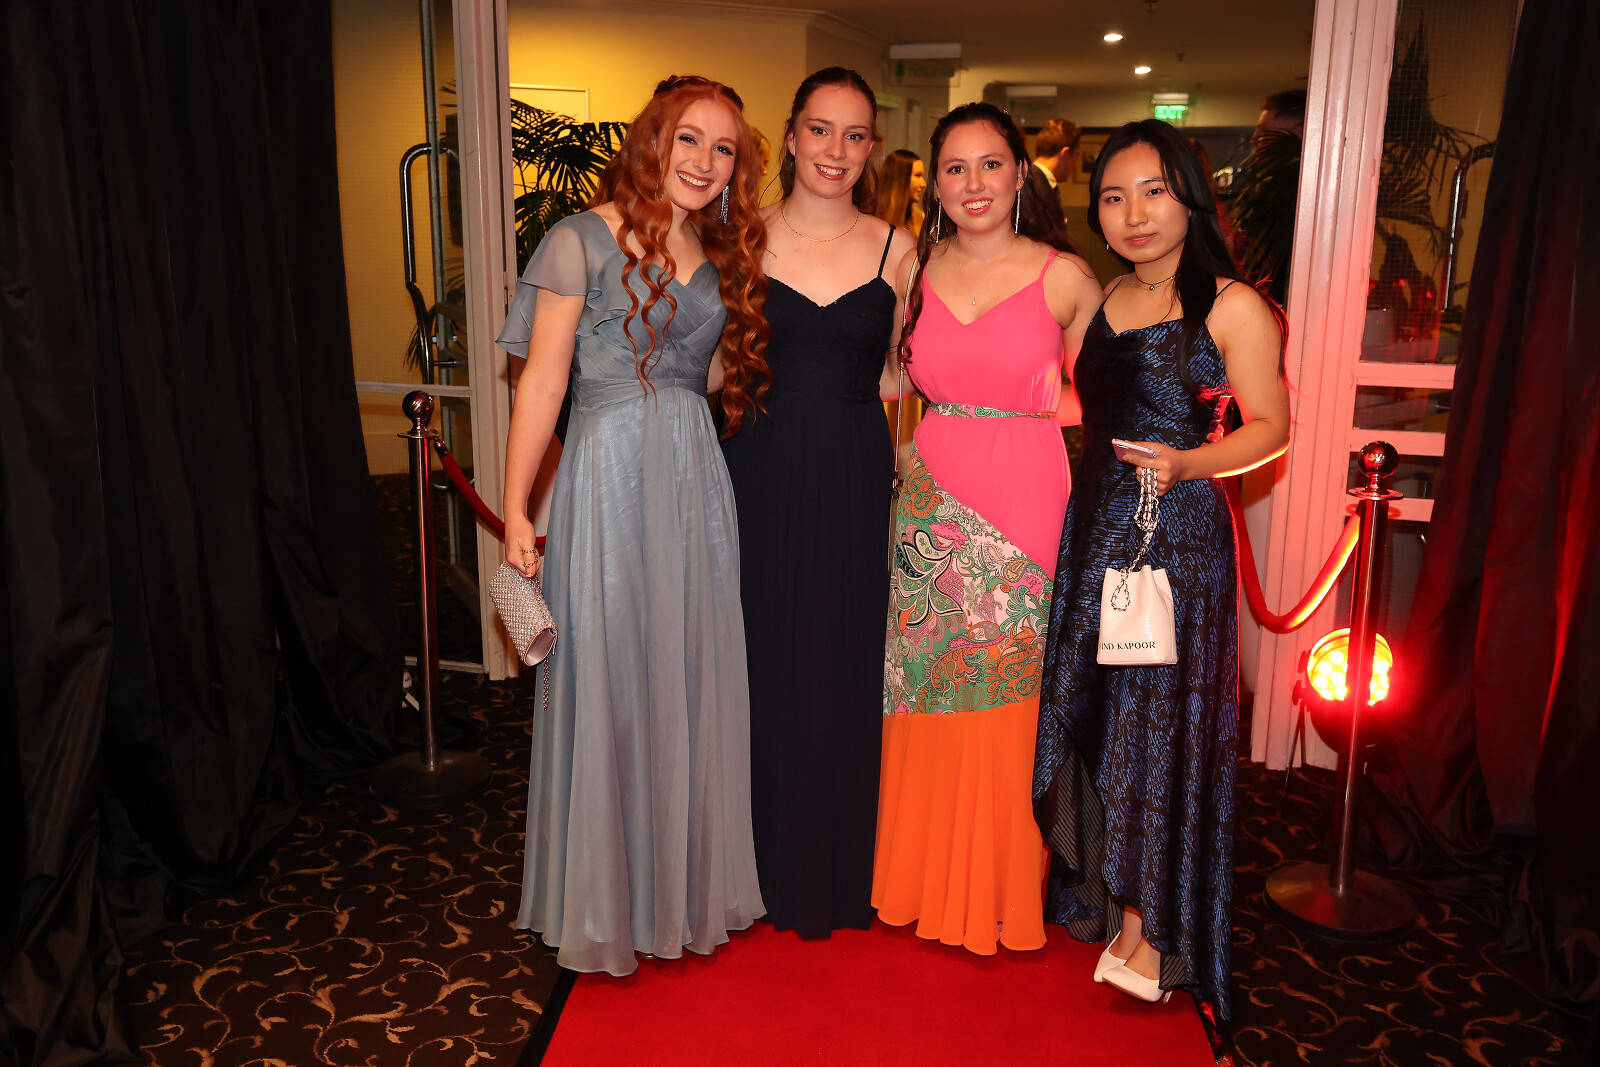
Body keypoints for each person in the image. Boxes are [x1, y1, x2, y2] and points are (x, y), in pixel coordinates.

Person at [497, 75, 769, 976]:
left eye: (723, 149)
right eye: (689, 138)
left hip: (695, 481)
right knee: (612, 672)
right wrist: (517, 508)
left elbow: (712, 378)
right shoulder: (580, 238)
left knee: (687, 669)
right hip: (609, 475)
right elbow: (541, 383)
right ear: (653, 141)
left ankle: (680, 886)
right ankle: (608, 897)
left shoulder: (719, 249)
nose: (704, 161)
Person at [1034, 119, 1290, 1019]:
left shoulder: (1232, 304)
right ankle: (1115, 896)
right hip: (1097, 529)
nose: (1134, 213)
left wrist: (1187, 463)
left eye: (1153, 191)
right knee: (1097, 713)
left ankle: (1152, 926)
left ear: (1189, 197)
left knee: (1157, 727)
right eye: (1114, 196)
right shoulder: (1105, 295)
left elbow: (1272, 427)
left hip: (1175, 539)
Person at [874, 102, 1102, 955]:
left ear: (1019, 174)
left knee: (1011, 690)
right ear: (934, 183)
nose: (973, 183)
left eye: (991, 164)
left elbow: (1108, 397)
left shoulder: (1064, 275)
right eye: (955, 168)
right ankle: (919, 877)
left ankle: (999, 887)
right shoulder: (915, 267)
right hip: (931, 490)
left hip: (1026, 492)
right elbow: (894, 376)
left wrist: (1031, 406)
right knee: (925, 682)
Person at [721, 67, 917, 939]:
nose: (836, 150)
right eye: (821, 129)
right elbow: (711, 361)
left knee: (845, 652)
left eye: (855, 134)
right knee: (761, 649)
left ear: (871, 147)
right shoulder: (741, 236)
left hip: (852, 464)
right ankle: (756, 862)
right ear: (793, 134)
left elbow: (910, 372)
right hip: (757, 461)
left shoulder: (899, 251)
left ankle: (842, 863)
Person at [875, 147, 927, 231]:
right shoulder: (872, 217)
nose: (923, 184)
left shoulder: (920, 219)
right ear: (900, 178)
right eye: (918, 175)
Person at [1031, 118, 1082, 190]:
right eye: (1075, 157)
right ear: (1065, 154)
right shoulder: (1037, 187)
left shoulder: (1025, 179)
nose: (1074, 166)